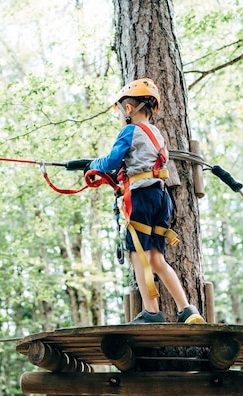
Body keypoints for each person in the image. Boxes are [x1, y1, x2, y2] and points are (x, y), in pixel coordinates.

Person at [82, 78, 204, 324]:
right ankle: (187, 309)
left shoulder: (129, 131)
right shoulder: (158, 135)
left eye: (120, 111)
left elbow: (110, 163)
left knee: (138, 255)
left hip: (140, 198)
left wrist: (92, 165)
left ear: (128, 110)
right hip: (161, 198)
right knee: (157, 259)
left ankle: (151, 312)